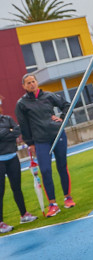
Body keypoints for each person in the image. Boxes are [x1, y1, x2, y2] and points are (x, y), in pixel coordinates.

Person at [15, 74, 75, 218]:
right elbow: (23, 126)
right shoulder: (21, 104)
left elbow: (67, 105)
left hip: (57, 134)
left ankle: (68, 197)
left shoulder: (48, 96)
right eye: (28, 83)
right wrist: (30, 144)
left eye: (33, 81)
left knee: (62, 166)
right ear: (24, 86)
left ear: (37, 82)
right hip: (40, 141)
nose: (31, 84)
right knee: (46, 170)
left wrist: (61, 118)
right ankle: (53, 204)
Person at [0, 95, 37, 233]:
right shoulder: (7, 123)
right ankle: (0, 223)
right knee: (0, 191)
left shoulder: (7, 118)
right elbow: (7, 134)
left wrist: (8, 132)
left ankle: (24, 215)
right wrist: (8, 132)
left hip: (12, 158)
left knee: (17, 188)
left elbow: (17, 130)